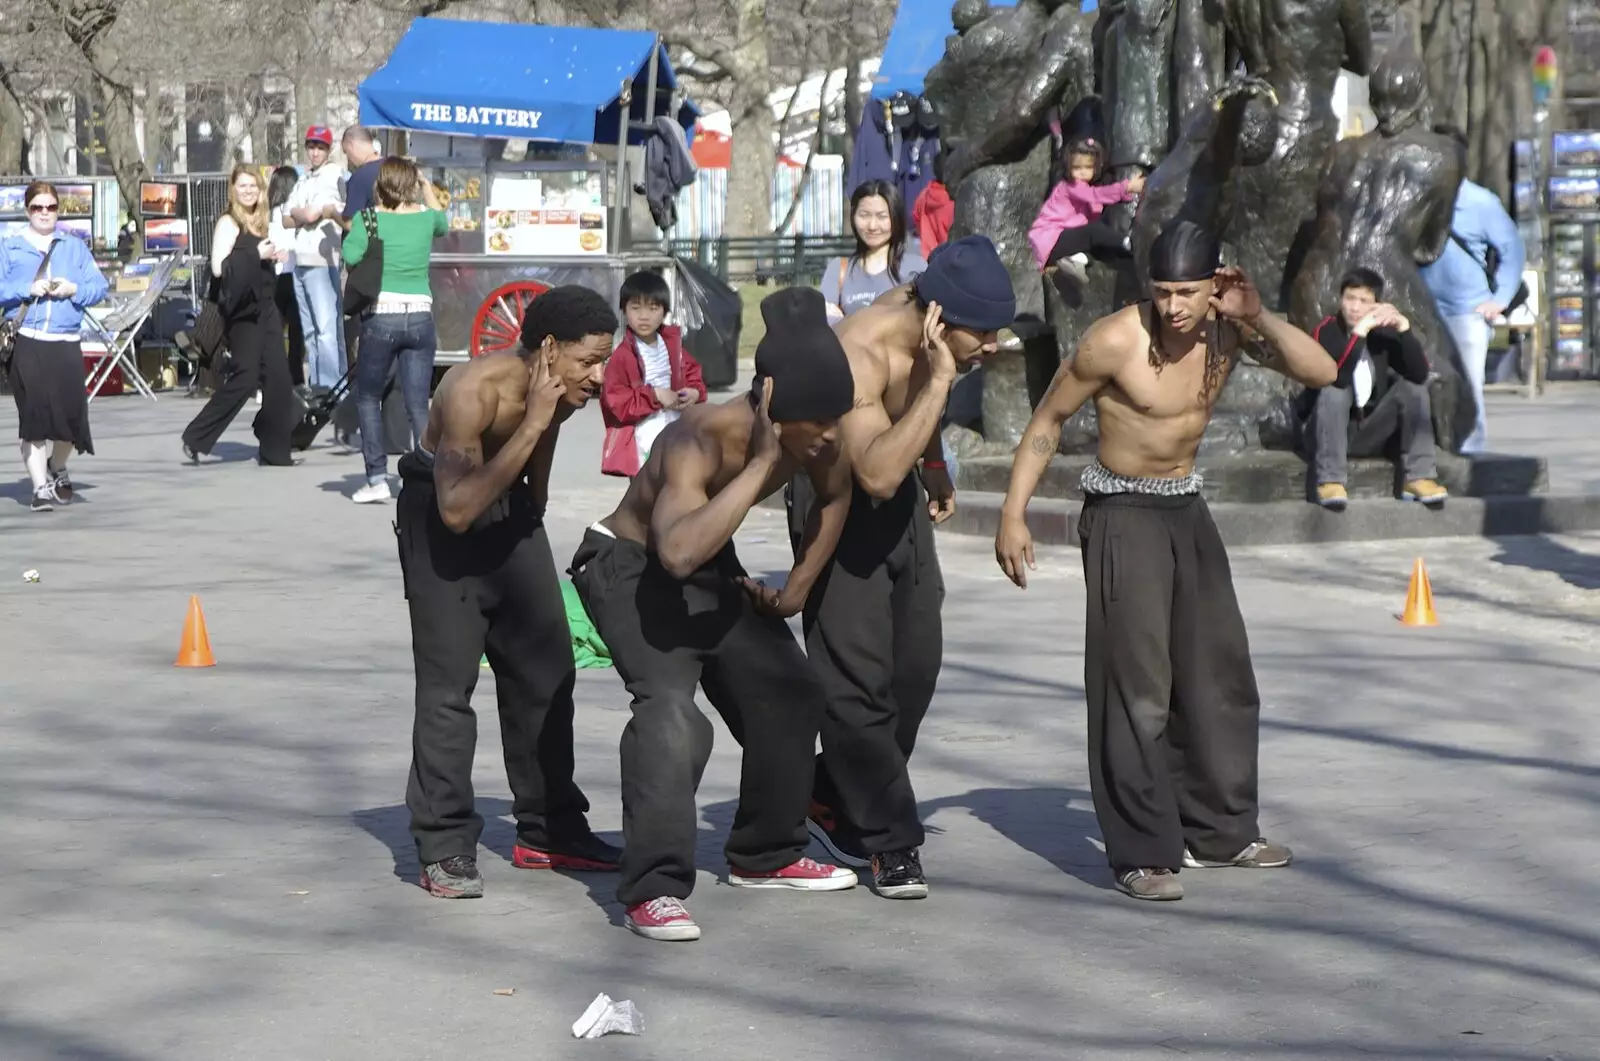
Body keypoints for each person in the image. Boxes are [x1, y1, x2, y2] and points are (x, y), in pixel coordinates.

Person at [993, 220, 1337, 902]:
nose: (1175, 306)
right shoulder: (1116, 339)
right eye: (1163, 291)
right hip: (1122, 512)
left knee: (1222, 674)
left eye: (1188, 291)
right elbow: (1048, 420)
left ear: (1216, 285)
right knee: (1138, 687)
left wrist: (1257, 311)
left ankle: (1221, 830)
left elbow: (1322, 370)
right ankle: (1142, 851)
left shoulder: (1229, 329)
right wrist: (1012, 513)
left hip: (1185, 505)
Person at [570, 287, 859, 942]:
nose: (834, 436)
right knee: (673, 715)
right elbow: (672, 554)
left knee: (790, 687)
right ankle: (655, 887)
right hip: (629, 564)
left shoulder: (820, 433)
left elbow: (836, 500)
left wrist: (794, 592)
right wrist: (760, 464)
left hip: (708, 561)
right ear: (772, 408)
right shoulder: (694, 439)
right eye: (820, 423)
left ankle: (767, 851)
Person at [799, 234, 1013, 900]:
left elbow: (907, 451)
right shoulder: (858, 351)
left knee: (914, 665)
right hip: (838, 495)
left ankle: (824, 793)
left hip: (902, 483)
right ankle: (889, 838)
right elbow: (876, 474)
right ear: (939, 321)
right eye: (983, 337)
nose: (992, 348)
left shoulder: (939, 333)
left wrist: (936, 466)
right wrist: (945, 376)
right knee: (856, 676)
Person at [395, 284, 622, 899]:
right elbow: (458, 509)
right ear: (549, 349)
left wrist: (531, 514)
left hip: (509, 508)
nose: (599, 376)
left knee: (548, 669)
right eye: (590, 360)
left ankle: (549, 829)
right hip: (444, 517)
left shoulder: (561, 391)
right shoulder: (472, 391)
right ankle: (444, 845)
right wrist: (535, 423)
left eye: (606, 360)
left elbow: (535, 479)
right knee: (449, 688)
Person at [342, 156, 447, 504]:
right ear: (413, 184)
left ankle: (376, 478)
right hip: (420, 316)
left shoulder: (367, 219)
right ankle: (430, 475)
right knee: (418, 403)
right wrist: (428, 187)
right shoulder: (424, 218)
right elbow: (443, 223)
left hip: (381, 315)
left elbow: (350, 254)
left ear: (381, 184)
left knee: (368, 397)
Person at [0, 180, 109, 511]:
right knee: (34, 416)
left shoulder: (74, 247)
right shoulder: (10, 246)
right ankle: (39, 488)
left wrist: (72, 289)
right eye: (37, 207)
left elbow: (99, 287)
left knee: (70, 420)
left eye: (50, 207)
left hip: (65, 340)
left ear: (57, 210)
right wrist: (28, 287)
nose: (44, 213)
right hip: (28, 339)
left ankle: (57, 466)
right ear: (27, 210)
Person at [180, 166, 297, 468]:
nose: (248, 191)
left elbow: (260, 262)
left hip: (267, 307)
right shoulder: (228, 223)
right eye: (242, 186)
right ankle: (196, 436)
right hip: (242, 311)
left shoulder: (261, 222)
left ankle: (274, 451)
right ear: (233, 189)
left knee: (280, 381)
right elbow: (219, 268)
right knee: (245, 378)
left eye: (253, 186)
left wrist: (273, 256)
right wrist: (254, 255)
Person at [1303, 267, 1447, 510]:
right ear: (1340, 300)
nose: (1355, 307)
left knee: (1413, 386)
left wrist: (1404, 329)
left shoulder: (1383, 336)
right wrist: (1358, 334)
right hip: (1326, 433)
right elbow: (1338, 378)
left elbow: (1419, 373)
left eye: (1364, 301)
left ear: (1376, 305)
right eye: (1349, 298)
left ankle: (1419, 477)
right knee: (1334, 389)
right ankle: (1330, 481)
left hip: (1368, 431)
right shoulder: (1325, 331)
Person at [1420, 124, 1525, 456]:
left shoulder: (1481, 202)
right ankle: (1430, 452)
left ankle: (1472, 454)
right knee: (1423, 385)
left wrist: (1500, 300)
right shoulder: (1418, 199)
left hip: (1467, 312)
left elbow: (1512, 249)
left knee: (1469, 386)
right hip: (1423, 310)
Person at [599, 270, 707, 478]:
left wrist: (694, 392)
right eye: (635, 308)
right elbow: (616, 403)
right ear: (624, 310)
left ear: (665, 311)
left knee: (678, 483)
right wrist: (655, 395)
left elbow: (693, 372)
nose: (644, 316)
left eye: (653, 308)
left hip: (676, 426)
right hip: (642, 435)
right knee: (647, 491)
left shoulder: (672, 346)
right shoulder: (622, 356)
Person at [280, 124, 347, 390]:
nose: (315, 152)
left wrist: (301, 213)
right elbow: (287, 219)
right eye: (311, 146)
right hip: (300, 259)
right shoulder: (304, 179)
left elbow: (306, 215)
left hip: (323, 261)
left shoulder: (335, 175)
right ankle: (318, 385)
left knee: (326, 329)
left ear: (329, 150)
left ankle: (333, 387)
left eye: (320, 147)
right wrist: (302, 213)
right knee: (309, 330)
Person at [1029, 137, 1145, 287]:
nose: (1083, 172)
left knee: (1094, 245)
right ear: (1068, 166)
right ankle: (1129, 243)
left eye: (1088, 167)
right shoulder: (1070, 187)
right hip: (1051, 241)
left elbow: (1100, 198)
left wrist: (1123, 195)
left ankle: (1072, 260)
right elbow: (1096, 195)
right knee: (1093, 231)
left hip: (1058, 243)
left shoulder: (1083, 189)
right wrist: (1127, 186)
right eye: (1077, 168)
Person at [821, 180, 929, 323]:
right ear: (853, 217)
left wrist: (844, 319)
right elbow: (823, 323)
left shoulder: (916, 268)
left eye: (882, 216)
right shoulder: (838, 269)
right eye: (864, 215)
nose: (872, 226)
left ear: (896, 218)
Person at [266, 166, 306, 391]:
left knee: (274, 331)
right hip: (294, 274)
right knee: (296, 332)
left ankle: (273, 378)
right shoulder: (294, 213)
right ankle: (296, 377)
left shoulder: (269, 212)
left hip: (274, 274)